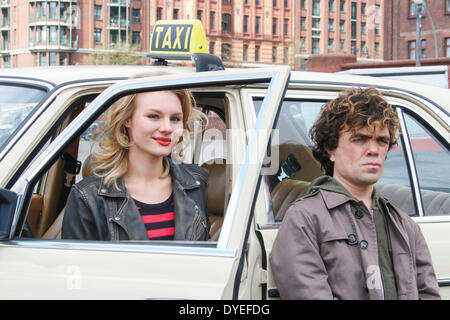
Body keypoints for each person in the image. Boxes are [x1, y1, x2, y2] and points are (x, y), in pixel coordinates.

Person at [269, 87, 440, 300]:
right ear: (331, 148)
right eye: (359, 139)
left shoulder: (404, 226)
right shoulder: (304, 219)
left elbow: (428, 295)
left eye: (382, 141)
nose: (373, 150)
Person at [62, 73, 210, 241]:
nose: (167, 128)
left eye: (175, 118)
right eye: (154, 116)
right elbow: (78, 265)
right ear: (127, 119)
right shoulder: (87, 197)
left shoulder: (197, 183)